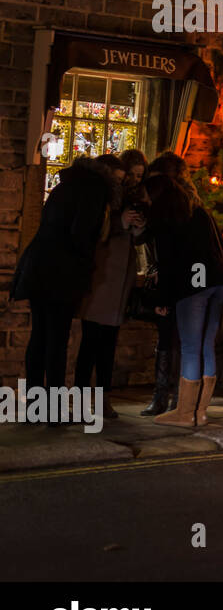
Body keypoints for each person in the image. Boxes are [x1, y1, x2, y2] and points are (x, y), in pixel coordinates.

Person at [11, 155, 117, 425]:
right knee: (57, 341)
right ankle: (55, 411)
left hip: (38, 264)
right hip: (62, 270)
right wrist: (89, 263)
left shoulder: (66, 184)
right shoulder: (95, 189)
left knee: (40, 337)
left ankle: (35, 408)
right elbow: (81, 232)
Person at [144, 174, 223, 427]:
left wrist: (162, 299)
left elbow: (168, 265)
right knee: (206, 346)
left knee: (190, 348)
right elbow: (219, 249)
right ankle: (200, 412)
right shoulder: (200, 214)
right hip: (217, 282)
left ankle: (185, 413)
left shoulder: (166, 221)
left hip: (193, 287)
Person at [73, 155, 147, 420]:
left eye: (140, 175)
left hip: (120, 284)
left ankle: (103, 401)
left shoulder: (135, 197)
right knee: (90, 344)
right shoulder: (102, 195)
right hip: (101, 280)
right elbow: (97, 231)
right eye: (132, 175)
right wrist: (121, 222)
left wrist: (138, 226)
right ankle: (81, 401)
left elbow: (136, 239)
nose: (135, 180)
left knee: (108, 347)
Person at [137, 152, 191, 416]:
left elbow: (174, 257)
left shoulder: (181, 210)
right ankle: (163, 396)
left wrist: (164, 297)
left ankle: (174, 398)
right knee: (167, 339)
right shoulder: (159, 210)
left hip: (180, 284)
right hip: (169, 280)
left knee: (176, 340)